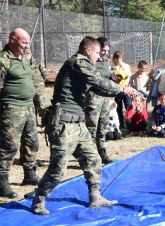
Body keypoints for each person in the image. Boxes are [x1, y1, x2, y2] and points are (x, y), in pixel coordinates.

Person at [30, 36, 135, 215]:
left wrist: (121, 92)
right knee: (58, 169)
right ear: (88, 50)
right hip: (63, 124)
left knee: (93, 159)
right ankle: (38, 200)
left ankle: (95, 197)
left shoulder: (83, 67)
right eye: (96, 53)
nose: (97, 57)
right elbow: (97, 80)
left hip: (78, 124)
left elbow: (98, 88)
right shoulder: (77, 62)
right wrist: (123, 89)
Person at [0, 28, 40, 198]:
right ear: (13, 39)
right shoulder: (3, 60)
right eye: (24, 42)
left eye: (28, 42)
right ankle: (2, 182)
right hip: (11, 109)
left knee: (31, 143)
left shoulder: (25, 58)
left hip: (29, 107)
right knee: (9, 147)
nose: (27, 45)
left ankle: (29, 175)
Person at [85, 37, 115, 164]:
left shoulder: (104, 62)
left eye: (107, 51)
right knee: (91, 128)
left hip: (104, 99)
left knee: (102, 127)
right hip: (93, 98)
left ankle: (102, 153)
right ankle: (88, 157)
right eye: (103, 50)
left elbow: (106, 75)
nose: (105, 53)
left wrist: (112, 76)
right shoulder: (91, 61)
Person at [24, 48, 47, 119]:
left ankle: (44, 123)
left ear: (31, 54)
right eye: (24, 55)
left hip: (39, 89)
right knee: (31, 108)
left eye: (27, 54)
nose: (26, 56)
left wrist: (41, 82)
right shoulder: (22, 63)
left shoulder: (38, 62)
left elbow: (44, 74)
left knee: (41, 106)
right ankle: (34, 124)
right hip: (28, 90)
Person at [112, 51, 132, 129]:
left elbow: (129, 75)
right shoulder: (112, 67)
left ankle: (130, 124)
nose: (118, 60)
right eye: (117, 58)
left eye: (120, 58)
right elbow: (112, 78)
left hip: (126, 89)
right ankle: (121, 124)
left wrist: (122, 66)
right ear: (114, 58)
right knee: (118, 108)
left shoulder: (126, 66)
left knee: (128, 107)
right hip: (117, 90)